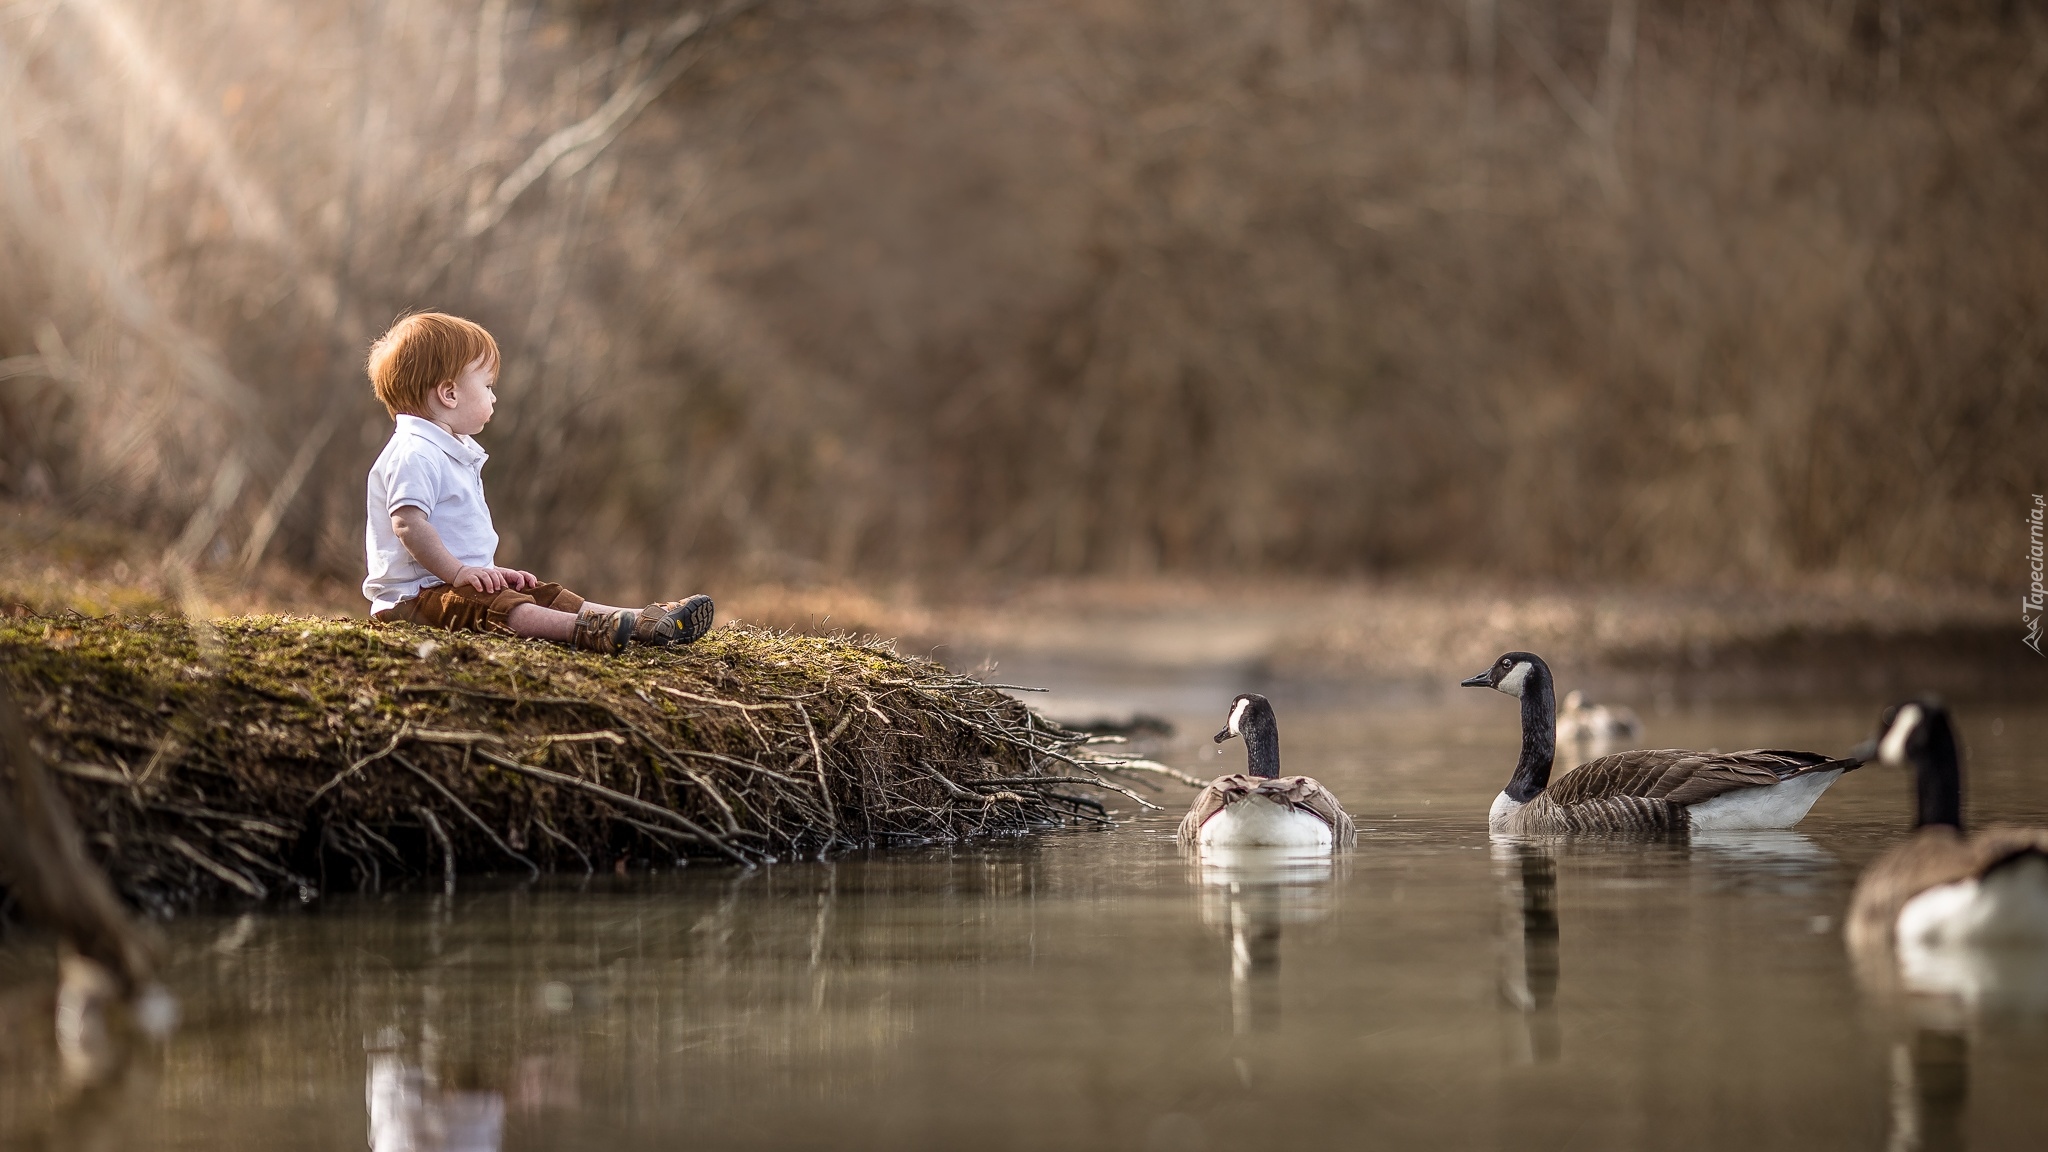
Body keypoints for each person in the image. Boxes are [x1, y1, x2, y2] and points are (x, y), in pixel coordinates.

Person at [361, 312, 711, 654]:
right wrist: (460, 572)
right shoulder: (415, 452)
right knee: (503, 608)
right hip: (414, 599)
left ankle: (642, 621)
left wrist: (486, 570)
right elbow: (407, 523)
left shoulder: (448, 450)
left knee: (544, 594)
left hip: (453, 584)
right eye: (486, 386)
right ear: (449, 394)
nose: (493, 396)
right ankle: (584, 631)